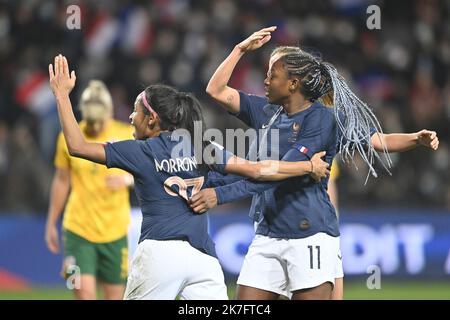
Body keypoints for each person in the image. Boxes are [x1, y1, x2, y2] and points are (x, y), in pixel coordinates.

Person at [48, 54, 331, 300]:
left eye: (136, 111)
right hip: (203, 260)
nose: (131, 118)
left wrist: (62, 96)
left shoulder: (140, 151)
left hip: (159, 254)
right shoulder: (202, 145)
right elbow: (257, 169)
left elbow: (77, 146)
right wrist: (306, 167)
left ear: (153, 119)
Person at [190, 27, 440, 300]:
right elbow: (215, 90)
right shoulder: (266, 111)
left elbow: (377, 141)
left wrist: (415, 138)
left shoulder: (323, 120)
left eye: (272, 74)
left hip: (308, 234)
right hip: (267, 233)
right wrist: (239, 49)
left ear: (293, 83)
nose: (265, 80)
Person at [44, 80, 134, 300]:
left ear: (110, 112)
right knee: (81, 293)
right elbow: (62, 181)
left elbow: (147, 170)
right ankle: (70, 268)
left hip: (115, 231)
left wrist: (127, 179)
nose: (95, 127)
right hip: (77, 230)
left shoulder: (126, 134)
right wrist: (51, 222)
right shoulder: (68, 137)